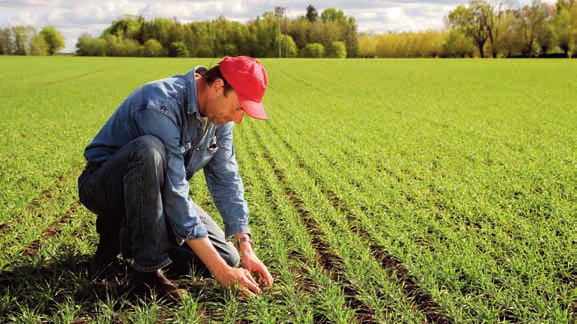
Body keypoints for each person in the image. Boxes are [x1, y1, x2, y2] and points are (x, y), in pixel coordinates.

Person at [77, 56, 273, 301]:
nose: (238, 118)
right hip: (103, 187)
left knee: (227, 258)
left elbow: (226, 177)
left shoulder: (218, 116)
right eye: (238, 107)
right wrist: (222, 274)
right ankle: (146, 276)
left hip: (156, 194)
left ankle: (127, 236)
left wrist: (245, 246)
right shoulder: (160, 104)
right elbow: (175, 193)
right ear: (218, 87)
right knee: (149, 150)